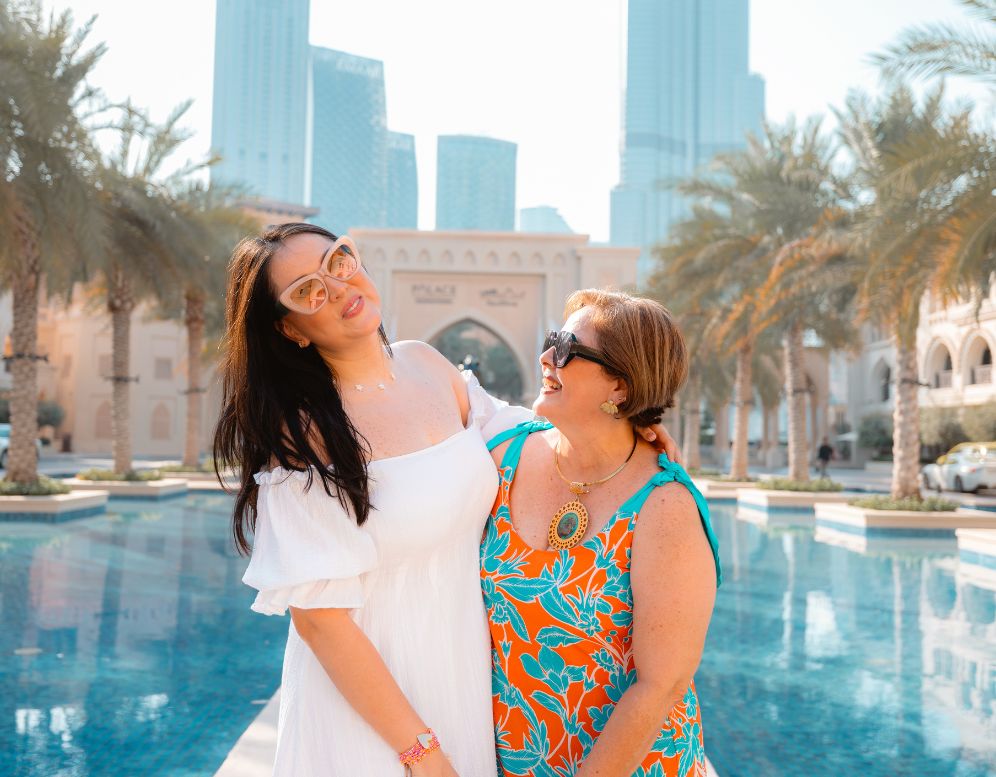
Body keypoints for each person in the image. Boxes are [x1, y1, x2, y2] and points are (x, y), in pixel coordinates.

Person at [213, 223, 679, 777]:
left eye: (337, 261)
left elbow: (526, 432)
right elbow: (321, 623)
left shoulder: (427, 365)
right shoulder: (304, 432)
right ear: (289, 329)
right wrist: (423, 755)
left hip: (461, 685)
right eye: (308, 291)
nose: (338, 287)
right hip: (371, 715)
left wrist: (626, 431)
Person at [481, 289, 722, 777]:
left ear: (620, 387)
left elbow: (661, 686)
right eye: (551, 341)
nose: (546, 358)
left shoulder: (665, 508)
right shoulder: (501, 457)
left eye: (566, 349)